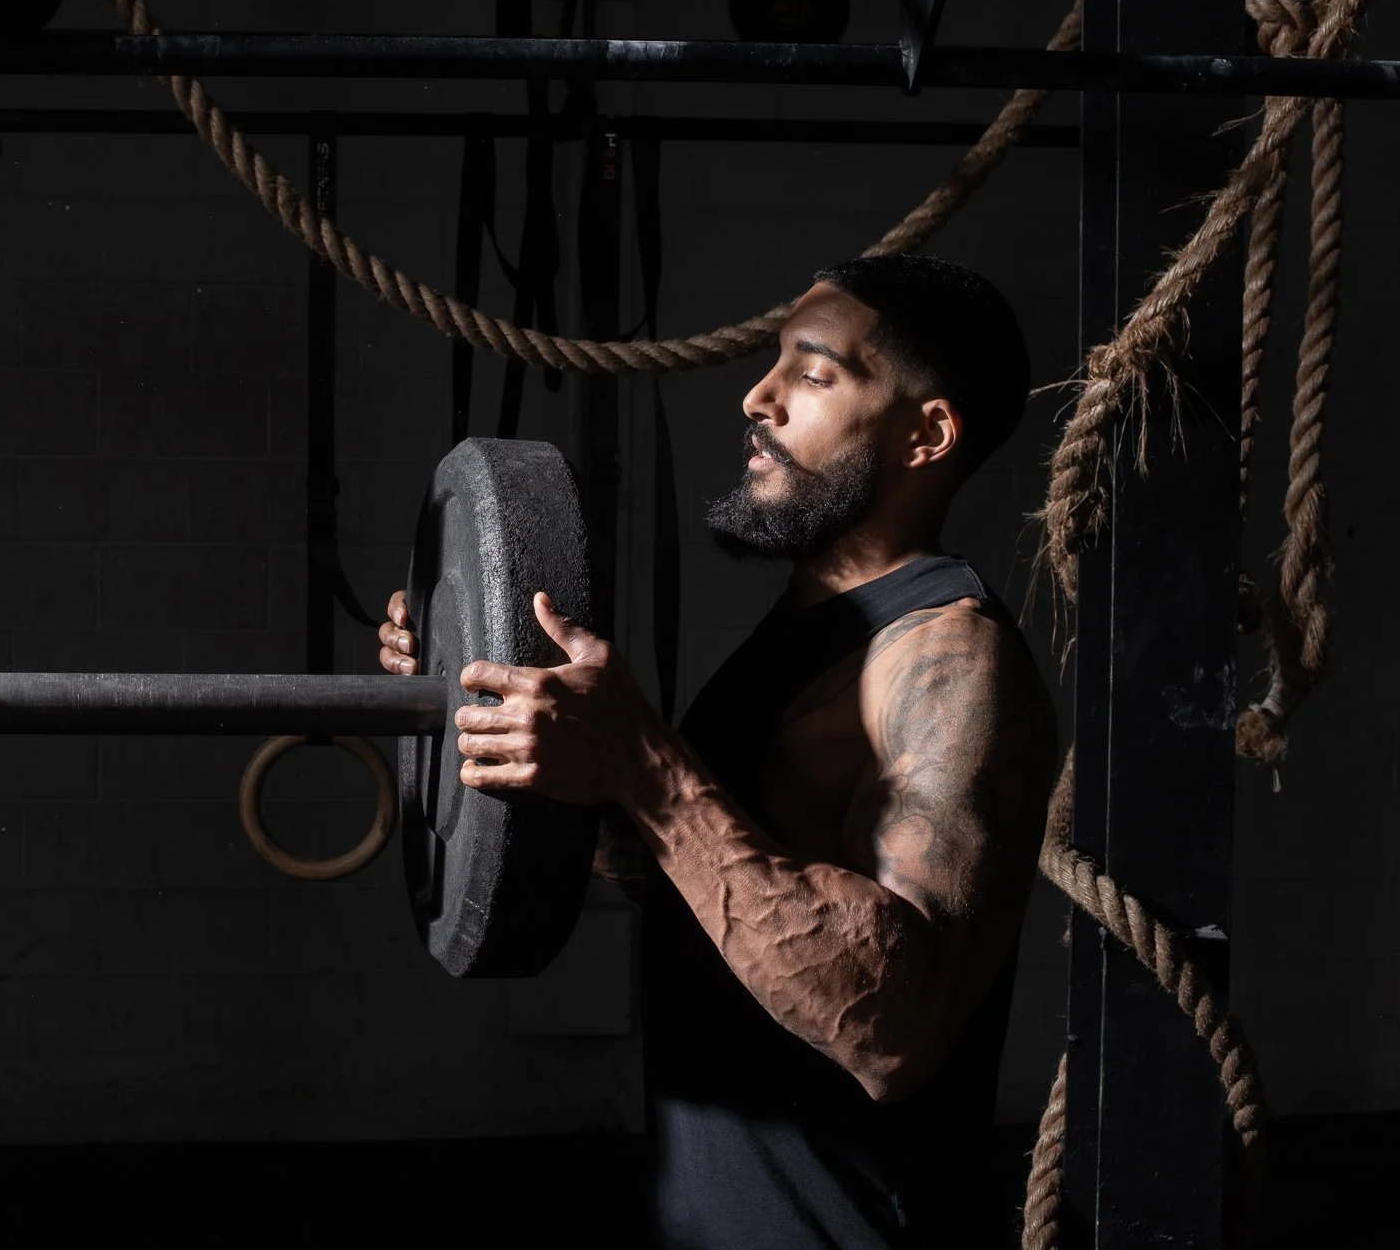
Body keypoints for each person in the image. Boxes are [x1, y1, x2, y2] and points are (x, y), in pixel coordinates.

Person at [377, 255, 1060, 1248]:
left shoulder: (950, 661)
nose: (757, 397)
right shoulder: (805, 638)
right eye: (772, 364)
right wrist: (472, 694)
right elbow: (685, 873)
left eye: (812, 374)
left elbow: (896, 1032)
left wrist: (648, 770)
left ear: (926, 433)